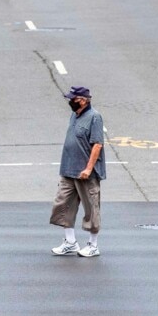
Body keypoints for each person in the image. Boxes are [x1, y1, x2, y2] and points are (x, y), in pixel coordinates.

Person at [50, 86, 105, 258]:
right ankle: (70, 242)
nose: (70, 101)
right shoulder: (75, 115)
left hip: (85, 172)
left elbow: (97, 144)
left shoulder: (94, 117)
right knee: (63, 204)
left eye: (72, 98)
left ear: (83, 100)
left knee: (91, 208)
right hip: (68, 169)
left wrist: (88, 168)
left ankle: (93, 245)